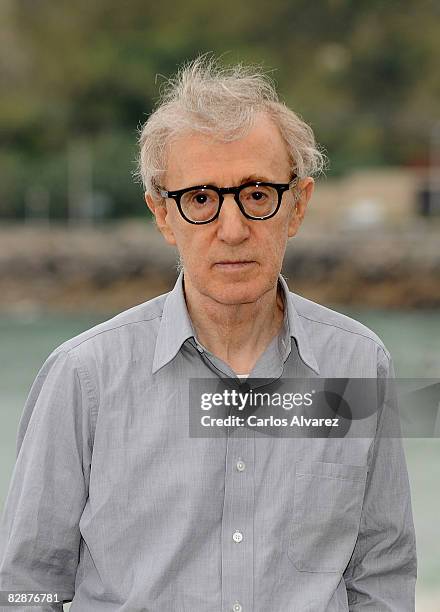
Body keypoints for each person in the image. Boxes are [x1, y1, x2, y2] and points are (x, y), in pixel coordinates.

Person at [0, 55, 416, 611]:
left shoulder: (360, 365)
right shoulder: (82, 377)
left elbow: (381, 571)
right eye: (200, 198)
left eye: (257, 193)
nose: (234, 228)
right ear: (161, 214)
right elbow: (27, 585)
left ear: (297, 205)